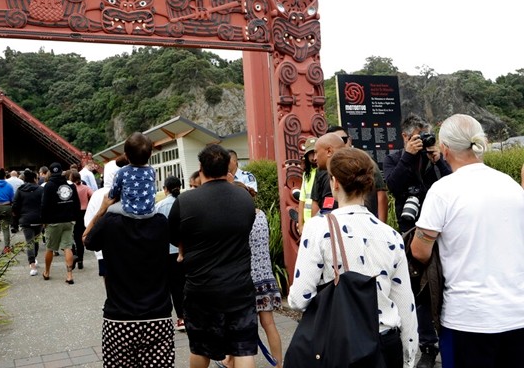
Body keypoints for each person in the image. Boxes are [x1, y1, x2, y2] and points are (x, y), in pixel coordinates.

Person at [411, 114, 524, 368]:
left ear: (445, 148)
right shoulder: (511, 185)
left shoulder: (443, 191)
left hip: (469, 317)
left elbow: (419, 251)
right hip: (517, 314)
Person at [289, 147, 418, 367]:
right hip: (385, 343)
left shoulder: (319, 228)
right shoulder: (391, 236)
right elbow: (405, 303)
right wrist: (408, 357)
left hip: (340, 342)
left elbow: (300, 298)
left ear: (335, 183)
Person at [169, 144, 257, 368]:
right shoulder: (245, 198)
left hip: (202, 288)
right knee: (243, 348)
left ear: (201, 168)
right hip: (239, 287)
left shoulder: (186, 201)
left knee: (200, 348)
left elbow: (172, 236)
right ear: (228, 166)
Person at [83, 166, 174, 367]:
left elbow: (87, 240)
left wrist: (103, 209)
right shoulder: (161, 222)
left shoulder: (109, 222)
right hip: (158, 317)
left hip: (119, 319)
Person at [383, 114, 452, 368]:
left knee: (444, 286)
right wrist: (408, 156)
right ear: (405, 136)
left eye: (425, 137)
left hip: (440, 230)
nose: (422, 142)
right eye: (417, 137)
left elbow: (453, 185)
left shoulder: (433, 159)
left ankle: (446, 340)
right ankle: (426, 346)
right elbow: (392, 185)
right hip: (410, 231)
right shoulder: (394, 159)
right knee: (418, 292)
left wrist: (439, 161)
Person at [221, 181, 283, 368]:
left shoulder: (237, 220)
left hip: (245, 279)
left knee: (239, 325)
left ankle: (233, 361)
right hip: (265, 277)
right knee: (269, 324)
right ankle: (279, 364)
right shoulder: (261, 215)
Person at [327, 125, 389, 222]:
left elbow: (381, 193)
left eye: (343, 139)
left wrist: (381, 224)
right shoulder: (327, 166)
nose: (341, 143)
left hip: (367, 218)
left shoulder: (365, 161)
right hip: (338, 221)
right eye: (336, 140)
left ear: (350, 140)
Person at [84, 155, 128, 279]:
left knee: (108, 280)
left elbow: (88, 221)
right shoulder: (128, 192)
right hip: (126, 246)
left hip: (103, 248)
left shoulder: (97, 195)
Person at [155, 175, 186, 332]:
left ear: (165, 189)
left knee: (169, 286)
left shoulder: (159, 206)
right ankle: (186, 316)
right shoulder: (186, 204)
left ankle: (176, 318)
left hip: (166, 251)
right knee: (184, 284)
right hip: (185, 251)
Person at [40, 163, 80, 283]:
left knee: (50, 248)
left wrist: (44, 221)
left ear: (50, 172)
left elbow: (44, 205)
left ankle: (47, 272)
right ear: (62, 171)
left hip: (53, 221)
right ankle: (69, 275)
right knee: (68, 247)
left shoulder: (48, 186)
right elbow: (77, 204)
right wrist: (74, 217)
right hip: (68, 220)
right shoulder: (70, 185)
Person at [105, 132, 157, 216]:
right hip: (150, 212)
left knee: (109, 209)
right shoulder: (152, 170)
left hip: (129, 212)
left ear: (125, 155)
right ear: (151, 154)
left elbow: (112, 194)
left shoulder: (122, 172)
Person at [12, 169, 43, 276]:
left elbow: (15, 205)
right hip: (39, 219)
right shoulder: (40, 189)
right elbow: (44, 204)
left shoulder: (20, 190)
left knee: (29, 242)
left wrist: (18, 215)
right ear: (35, 179)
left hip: (25, 219)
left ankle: (32, 264)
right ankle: (35, 258)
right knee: (36, 240)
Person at [310, 133, 346, 215]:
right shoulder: (320, 172)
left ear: (329, 151)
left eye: (316, 152)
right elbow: (315, 203)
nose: (314, 158)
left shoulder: (352, 170)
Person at [69, 169, 93, 270]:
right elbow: (93, 195)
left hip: (73, 213)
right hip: (84, 213)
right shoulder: (86, 188)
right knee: (80, 237)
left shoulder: (70, 189)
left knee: (72, 236)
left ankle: (73, 254)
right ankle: (80, 260)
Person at [296, 137, 317, 233]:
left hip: (319, 222)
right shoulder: (306, 174)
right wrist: (300, 225)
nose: (313, 157)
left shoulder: (324, 173)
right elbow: (302, 201)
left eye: (315, 152)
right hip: (307, 224)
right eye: (310, 153)